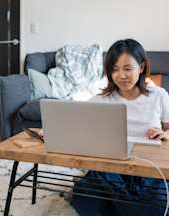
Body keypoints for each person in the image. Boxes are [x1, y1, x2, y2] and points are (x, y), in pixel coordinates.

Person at [70, 39, 169, 216]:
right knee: (84, 196)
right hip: (111, 168)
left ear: (141, 67)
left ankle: (119, 204)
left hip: (147, 169)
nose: (121, 75)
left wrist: (164, 133)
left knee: (159, 201)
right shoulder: (100, 100)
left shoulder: (159, 95)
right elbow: (78, 125)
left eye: (127, 69)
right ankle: (130, 205)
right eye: (114, 69)